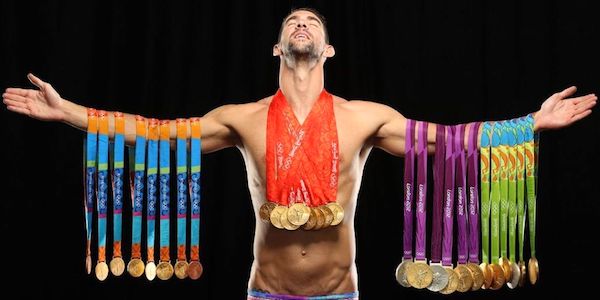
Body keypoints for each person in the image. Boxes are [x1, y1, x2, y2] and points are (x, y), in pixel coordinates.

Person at [2, 7, 596, 300]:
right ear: (278, 47)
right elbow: (162, 134)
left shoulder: (365, 116)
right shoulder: (242, 118)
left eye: (312, 20)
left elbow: (446, 140)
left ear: (330, 49)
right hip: (266, 290)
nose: (302, 23)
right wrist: (71, 112)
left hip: (341, 292)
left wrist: (531, 125)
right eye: (292, 20)